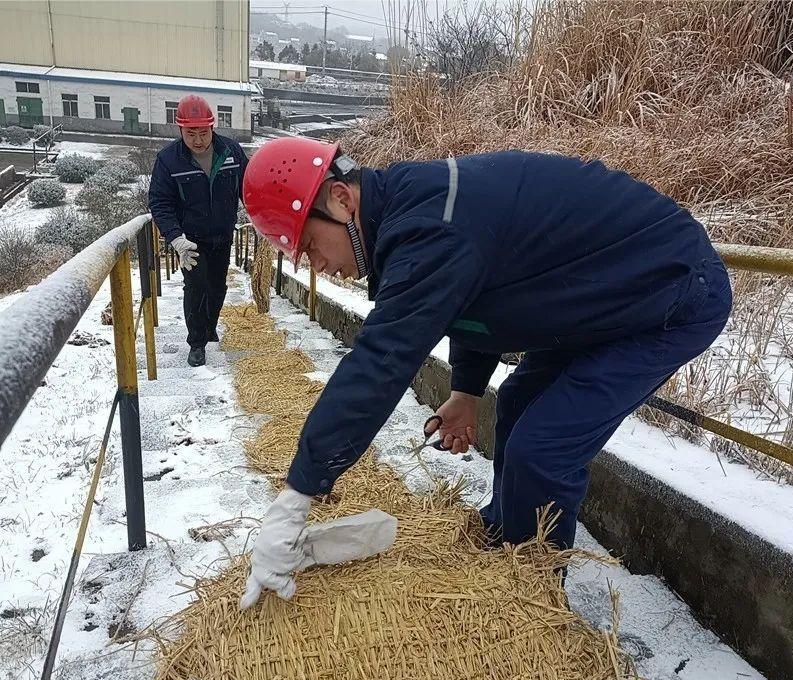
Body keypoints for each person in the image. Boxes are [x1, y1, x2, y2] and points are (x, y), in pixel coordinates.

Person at [238, 137, 732, 608]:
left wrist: (298, 494)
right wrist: (468, 391)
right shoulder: (417, 210)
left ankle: (533, 599)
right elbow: (478, 298)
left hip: (670, 294)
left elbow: (379, 364)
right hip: (598, 296)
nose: (318, 266)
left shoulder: (428, 228)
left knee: (542, 447)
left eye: (311, 245)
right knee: (516, 404)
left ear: (342, 200)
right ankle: (504, 538)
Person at [149, 94, 248, 367]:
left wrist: (263, 219)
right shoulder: (169, 160)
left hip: (222, 236)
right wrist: (175, 238)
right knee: (195, 287)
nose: (198, 140)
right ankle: (197, 343)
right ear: (179, 129)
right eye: (190, 133)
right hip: (190, 241)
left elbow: (249, 189)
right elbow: (159, 202)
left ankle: (209, 326)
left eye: (203, 132)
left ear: (212, 127)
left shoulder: (232, 153)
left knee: (217, 287)